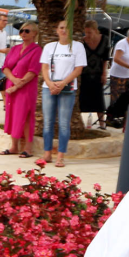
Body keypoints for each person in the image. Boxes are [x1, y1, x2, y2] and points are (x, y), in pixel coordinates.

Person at [39, 20, 87, 168]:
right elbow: (44, 67)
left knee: (64, 123)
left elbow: (78, 69)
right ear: (56, 30)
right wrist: (49, 83)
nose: (64, 31)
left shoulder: (78, 47)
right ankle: (47, 153)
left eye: (67, 28)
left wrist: (63, 83)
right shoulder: (49, 47)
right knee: (48, 122)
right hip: (49, 87)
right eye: (61, 28)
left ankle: (60, 156)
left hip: (67, 88)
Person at [1, 21, 41, 158]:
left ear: (35, 33)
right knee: (12, 114)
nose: (23, 33)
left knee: (26, 116)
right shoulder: (15, 49)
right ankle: (14, 146)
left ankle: (28, 148)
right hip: (12, 86)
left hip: (26, 88)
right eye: (22, 31)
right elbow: (5, 67)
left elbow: (33, 71)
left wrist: (17, 85)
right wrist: (13, 81)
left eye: (27, 31)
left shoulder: (37, 50)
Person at [79, 19, 110, 129]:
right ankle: (81, 124)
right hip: (84, 74)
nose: (87, 35)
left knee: (99, 99)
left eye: (90, 32)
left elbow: (105, 58)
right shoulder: (82, 42)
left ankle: (102, 124)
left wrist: (104, 73)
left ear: (96, 31)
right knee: (82, 99)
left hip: (98, 73)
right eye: (86, 32)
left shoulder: (104, 40)